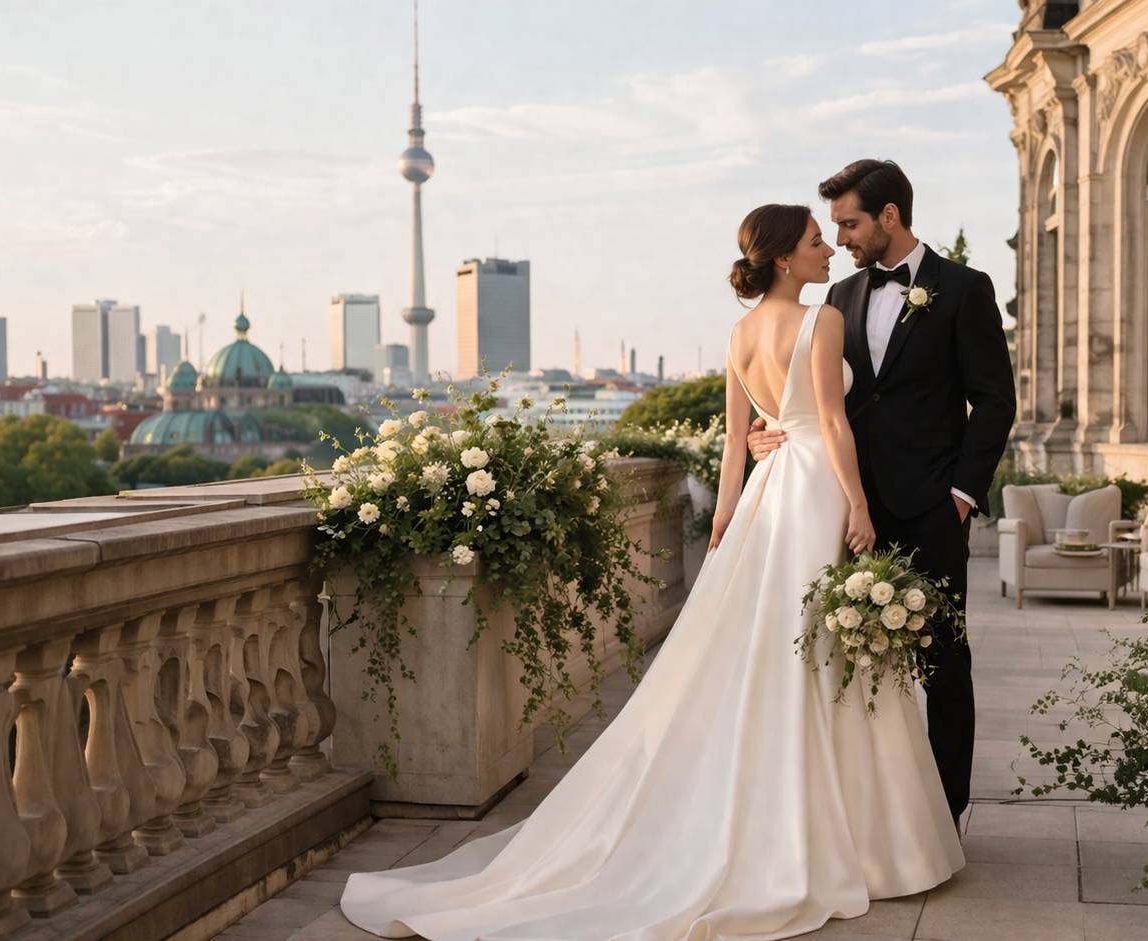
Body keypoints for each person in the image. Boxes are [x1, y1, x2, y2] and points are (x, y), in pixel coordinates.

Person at [339, 203, 964, 941]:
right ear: (785, 259)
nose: (827, 249)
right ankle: (863, 839)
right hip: (819, 486)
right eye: (813, 240)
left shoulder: (737, 334)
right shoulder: (822, 320)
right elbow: (830, 422)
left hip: (770, 495)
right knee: (825, 650)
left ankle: (801, 820)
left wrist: (728, 524)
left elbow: (736, 444)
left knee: (781, 649)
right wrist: (858, 505)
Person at [748, 159, 1017, 826]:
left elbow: (994, 400)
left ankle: (944, 817)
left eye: (849, 223)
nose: (840, 238)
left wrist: (959, 494)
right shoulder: (837, 300)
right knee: (848, 661)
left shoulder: (962, 288)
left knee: (943, 663)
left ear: (889, 216)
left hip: (931, 505)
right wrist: (766, 433)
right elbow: (815, 401)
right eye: (834, 226)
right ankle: (864, 819)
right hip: (844, 511)